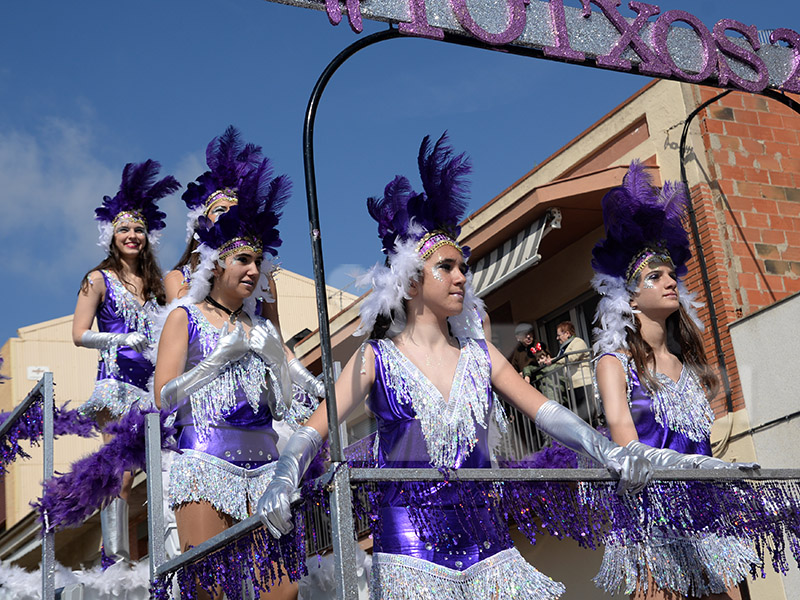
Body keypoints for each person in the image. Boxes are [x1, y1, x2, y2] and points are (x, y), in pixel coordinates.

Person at [257, 134, 654, 599]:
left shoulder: (479, 355)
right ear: (409, 282)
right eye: (446, 267)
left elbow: (544, 410)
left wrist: (604, 449)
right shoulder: (376, 359)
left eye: (463, 266)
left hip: (487, 541)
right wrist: (285, 475)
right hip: (410, 549)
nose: (462, 276)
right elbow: (313, 430)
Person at [590, 162, 759, 599]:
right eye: (654, 276)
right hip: (656, 528)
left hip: (711, 523)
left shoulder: (689, 365)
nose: (669, 282)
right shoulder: (614, 363)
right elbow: (628, 449)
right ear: (629, 294)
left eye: (671, 275)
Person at [154, 155, 297, 600]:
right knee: (210, 590)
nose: (254, 270)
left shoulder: (263, 328)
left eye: (258, 260)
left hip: (269, 468)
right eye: (242, 260)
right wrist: (218, 359)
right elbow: (163, 397)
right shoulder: (185, 316)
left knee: (284, 592)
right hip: (205, 465)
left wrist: (278, 365)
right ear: (216, 262)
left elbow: (284, 407)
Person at [162, 126, 323, 400]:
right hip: (203, 387)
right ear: (202, 219)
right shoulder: (179, 277)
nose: (228, 215)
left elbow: (277, 339)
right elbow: (186, 332)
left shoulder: (262, 278)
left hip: (257, 381)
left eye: (234, 209)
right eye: (220, 210)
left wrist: (313, 385)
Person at [72, 160, 180, 564]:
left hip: (154, 388)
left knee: (167, 467)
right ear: (111, 236)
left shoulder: (157, 285)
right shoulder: (97, 279)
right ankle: (114, 557)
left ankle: (168, 551)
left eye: (137, 229)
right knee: (121, 471)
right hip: (116, 386)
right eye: (124, 229)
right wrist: (120, 337)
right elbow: (79, 333)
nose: (132, 235)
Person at [555, 321, 594, 423]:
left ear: (567, 333)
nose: (557, 338)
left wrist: (554, 360)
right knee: (579, 414)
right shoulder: (564, 348)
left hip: (583, 383)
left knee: (587, 413)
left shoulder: (578, 342)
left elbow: (572, 358)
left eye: (559, 335)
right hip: (572, 385)